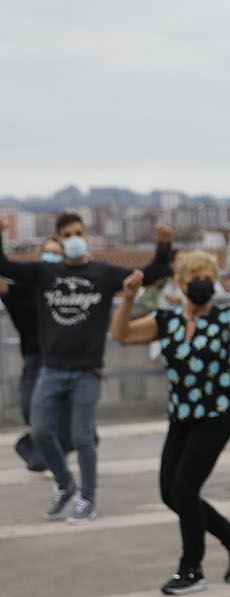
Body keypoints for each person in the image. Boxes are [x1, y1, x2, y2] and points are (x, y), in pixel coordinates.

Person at [109, 251, 230, 593]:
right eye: (193, 277)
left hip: (216, 416)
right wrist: (128, 298)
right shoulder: (167, 321)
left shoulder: (227, 317)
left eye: (207, 276)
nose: (200, 282)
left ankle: (192, 569)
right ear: (180, 282)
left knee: (185, 488)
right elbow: (122, 335)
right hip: (182, 417)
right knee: (170, 493)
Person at [0, 214, 174, 523]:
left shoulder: (103, 274)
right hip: (51, 370)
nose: (74, 238)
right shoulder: (45, 272)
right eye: (67, 234)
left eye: (79, 232)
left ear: (87, 235)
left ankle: (87, 497)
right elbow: (6, 267)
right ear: (59, 239)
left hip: (86, 372)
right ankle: (65, 483)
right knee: (40, 432)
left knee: (82, 437)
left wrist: (163, 245)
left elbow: (148, 275)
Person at [0, 231, 64, 471]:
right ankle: (40, 452)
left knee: (59, 414)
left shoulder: (69, 288)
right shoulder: (27, 286)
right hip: (34, 358)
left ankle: (48, 456)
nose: (52, 258)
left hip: (61, 360)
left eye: (57, 254)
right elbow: (5, 284)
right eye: (48, 253)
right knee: (30, 408)